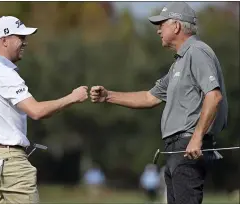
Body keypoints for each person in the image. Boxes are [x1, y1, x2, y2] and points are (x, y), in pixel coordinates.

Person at [89, 2, 228, 204]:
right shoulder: (178, 63)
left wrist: (197, 138)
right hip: (175, 149)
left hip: (188, 146)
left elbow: (213, 96)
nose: (158, 30)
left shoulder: (198, 52)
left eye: (161, 24)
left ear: (177, 26)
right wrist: (108, 96)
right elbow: (149, 97)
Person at [0, 16, 88, 204]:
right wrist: (72, 98)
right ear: (4, 40)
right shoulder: (5, 74)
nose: (25, 42)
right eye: (20, 37)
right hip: (11, 166)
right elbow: (36, 111)